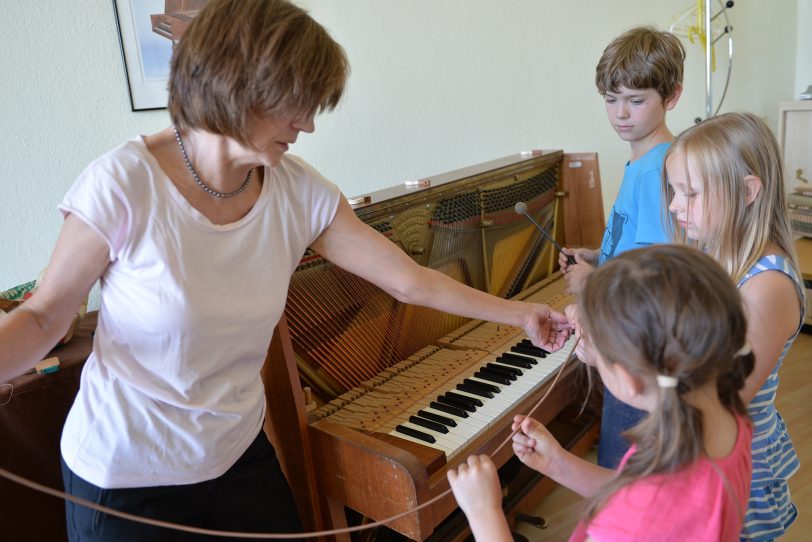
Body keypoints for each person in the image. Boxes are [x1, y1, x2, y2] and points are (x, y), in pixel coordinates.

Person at [0, 1, 571, 540]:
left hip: (236, 453)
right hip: (125, 478)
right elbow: (45, 315)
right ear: (237, 85)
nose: (309, 126)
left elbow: (407, 279)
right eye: (296, 103)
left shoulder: (298, 189)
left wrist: (521, 314)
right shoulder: (122, 184)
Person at [448, 245, 754, 542]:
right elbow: (637, 491)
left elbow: (640, 509)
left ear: (628, 378)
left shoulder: (627, 525)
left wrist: (484, 514)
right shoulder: (724, 417)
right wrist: (559, 464)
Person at [664, 111, 804, 540]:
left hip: (736, 459)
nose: (673, 205)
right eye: (673, 191)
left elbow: (721, 395)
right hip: (704, 441)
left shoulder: (768, 285)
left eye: (689, 192)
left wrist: (624, 364)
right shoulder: (715, 255)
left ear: (746, 191)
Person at [558, 25, 686, 469]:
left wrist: (594, 280)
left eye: (636, 100)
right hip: (627, 338)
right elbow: (638, 242)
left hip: (639, 350)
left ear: (671, 95)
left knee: (625, 470)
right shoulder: (641, 161)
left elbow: (657, 272)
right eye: (611, 100)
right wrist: (599, 254)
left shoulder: (657, 169)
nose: (620, 114)